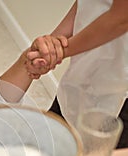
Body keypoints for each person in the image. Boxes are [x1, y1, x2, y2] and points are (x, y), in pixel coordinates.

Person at [27, 0, 128, 147]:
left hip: (120, 86)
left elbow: (120, 19)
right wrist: (50, 43)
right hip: (86, 70)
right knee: (44, 143)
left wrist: (58, 52)